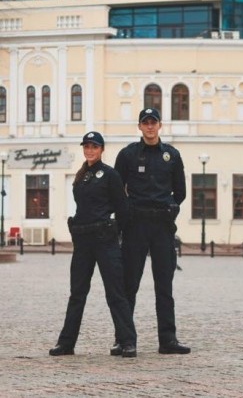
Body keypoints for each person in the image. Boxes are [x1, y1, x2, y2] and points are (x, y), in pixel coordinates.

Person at [49, 131, 137, 358]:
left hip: (104, 241)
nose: (90, 150)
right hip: (83, 242)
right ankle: (66, 343)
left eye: (94, 146)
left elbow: (123, 209)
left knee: (115, 292)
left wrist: (114, 231)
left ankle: (127, 341)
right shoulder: (81, 175)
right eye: (87, 146)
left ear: (101, 149)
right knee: (77, 293)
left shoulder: (110, 175)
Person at [113, 107, 190, 355]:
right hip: (136, 225)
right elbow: (116, 189)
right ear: (139, 126)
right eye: (145, 122)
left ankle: (168, 340)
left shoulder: (172, 155)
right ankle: (124, 340)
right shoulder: (127, 155)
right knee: (129, 285)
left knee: (164, 285)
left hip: (162, 227)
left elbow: (181, 191)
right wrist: (126, 212)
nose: (149, 126)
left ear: (159, 125)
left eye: (153, 122)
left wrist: (170, 207)